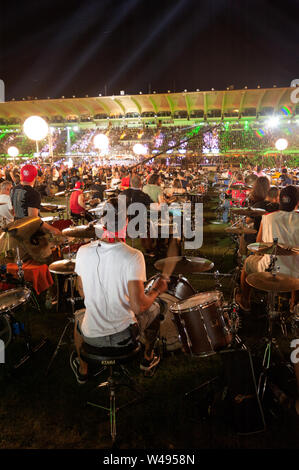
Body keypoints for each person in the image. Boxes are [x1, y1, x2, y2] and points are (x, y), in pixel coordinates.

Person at [70, 197, 168, 384]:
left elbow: (81, 290)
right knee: (158, 306)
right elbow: (139, 307)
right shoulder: (133, 256)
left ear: (102, 221)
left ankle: (83, 369)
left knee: (79, 318)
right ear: (126, 222)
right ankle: (147, 359)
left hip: (92, 337)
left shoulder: (82, 251)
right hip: (124, 337)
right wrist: (156, 290)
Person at [236, 185, 299, 312]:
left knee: (248, 263)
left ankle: (245, 300)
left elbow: (259, 243)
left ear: (278, 199)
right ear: (297, 203)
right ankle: (294, 306)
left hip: (270, 267)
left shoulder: (267, 217)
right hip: (296, 272)